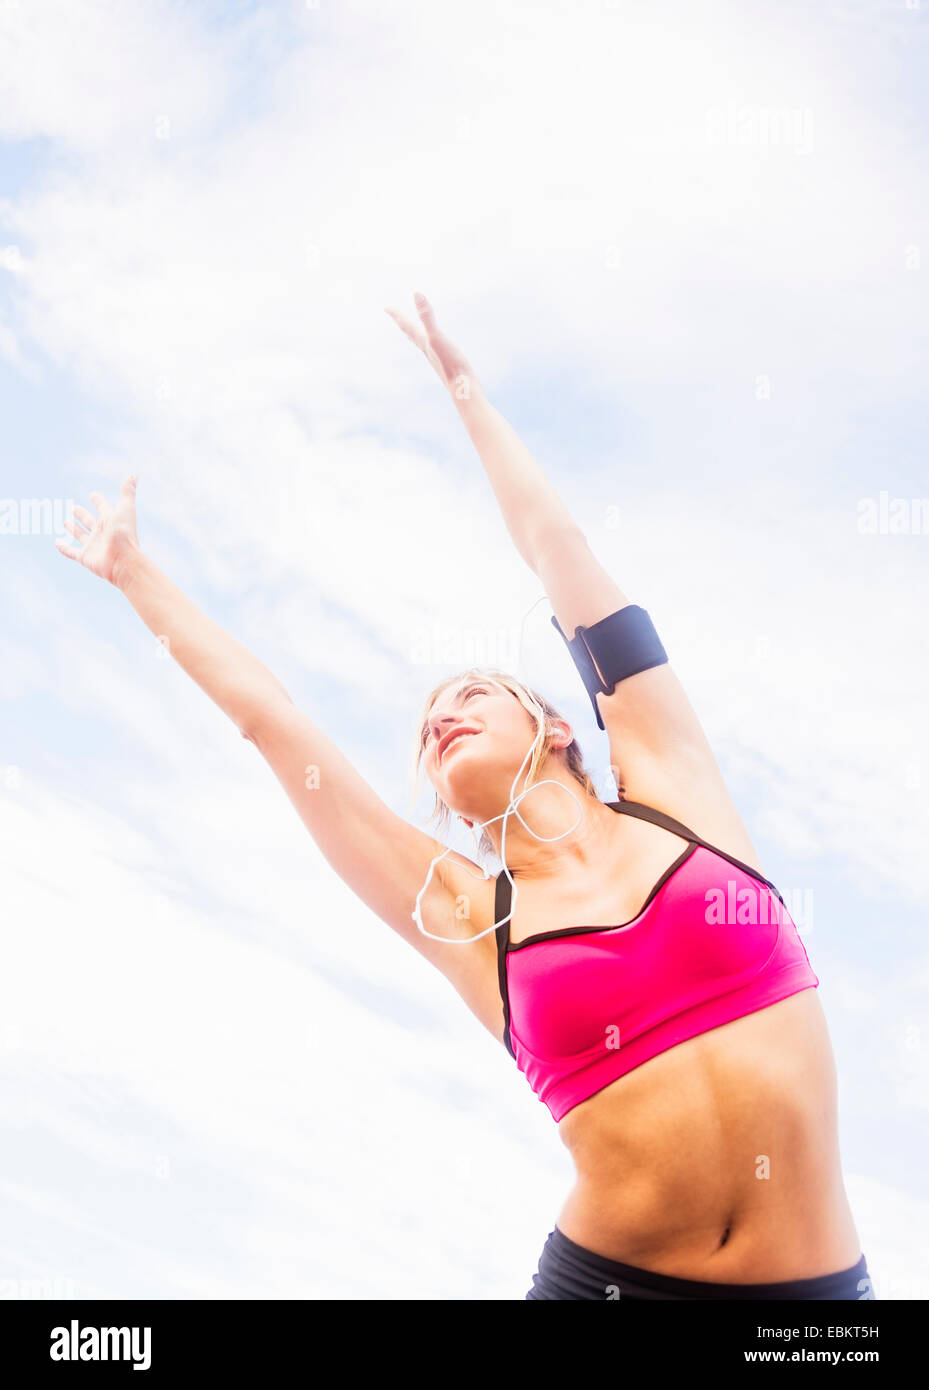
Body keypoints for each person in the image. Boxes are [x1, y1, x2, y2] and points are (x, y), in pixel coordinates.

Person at [56, 291, 873, 1301]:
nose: (443, 711)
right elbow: (275, 725)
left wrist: (463, 392)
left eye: (471, 691)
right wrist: (136, 577)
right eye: (426, 722)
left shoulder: (672, 783)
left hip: (811, 1303)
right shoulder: (464, 913)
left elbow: (556, 551)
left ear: (559, 724)